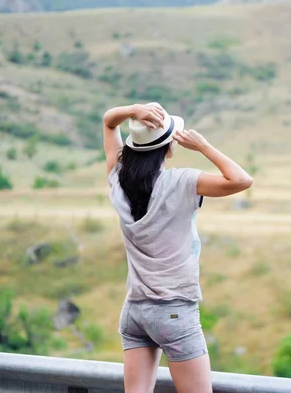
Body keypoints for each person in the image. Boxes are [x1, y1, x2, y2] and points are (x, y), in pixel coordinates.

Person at [102, 102, 253, 393]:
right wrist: (204, 146)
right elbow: (241, 180)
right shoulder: (182, 181)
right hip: (173, 310)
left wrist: (134, 110)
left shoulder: (117, 178)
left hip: (134, 310)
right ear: (169, 147)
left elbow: (109, 122)